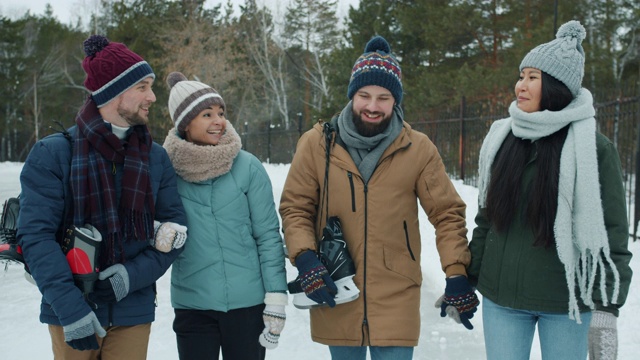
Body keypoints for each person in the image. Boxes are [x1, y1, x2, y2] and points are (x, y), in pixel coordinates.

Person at [279, 35, 478, 360]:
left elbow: (446, 213)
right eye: (364, 95)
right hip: (337, 287)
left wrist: (456, 274)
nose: (373, 106)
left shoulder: (418, 149)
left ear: (395, 101)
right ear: (352, 95)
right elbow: (296, 207)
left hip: (397, 292)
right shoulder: (317, 144)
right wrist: (305, 259)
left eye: (383, 97)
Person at [468, 20, 633, 360]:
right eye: (521, 75)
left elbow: (613, 231)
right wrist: (466, 279)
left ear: (556, 85)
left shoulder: (593, 149)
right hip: (502, 300)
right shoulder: (503, 139)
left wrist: (607, 308)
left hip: (566, 304)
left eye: (533, 77)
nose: (520, 86)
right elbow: (487, 218)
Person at [17, 35, 188, 359]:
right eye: (142, 87)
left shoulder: (155, 158)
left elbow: (175, 231)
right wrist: (70, 308)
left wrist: (130, 276)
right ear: (112, 92)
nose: (152, 96)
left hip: (132, 311)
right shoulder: (53, 154)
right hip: (71, 309)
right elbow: (36, 236)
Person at [162, 72, 288, 359]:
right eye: (207, 114)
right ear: (184, 124)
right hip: (192, 306)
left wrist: (276, 299)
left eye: (220, 112)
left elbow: (268, 236)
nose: (218, 121)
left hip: (248, 306)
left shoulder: (248, 167)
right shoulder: (165, 171)